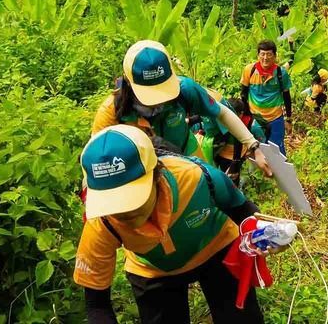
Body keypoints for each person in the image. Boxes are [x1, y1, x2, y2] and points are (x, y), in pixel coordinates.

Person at [75, 125, 274, 323]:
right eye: (113, 205)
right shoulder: (101, 221)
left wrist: (267, 234)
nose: (125, 213)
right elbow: (97, 303)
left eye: (132, 200)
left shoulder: (196, 177)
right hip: (152, 268)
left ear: (156, 175)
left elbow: (242, 210)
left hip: (216, 249)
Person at [92, 40, 272, 176]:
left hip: (187, 153)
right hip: (144, 169)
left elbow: (222, 112)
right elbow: (99, 160)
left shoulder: (185, 89)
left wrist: (253, 145)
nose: (157, 102)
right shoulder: (112, 112)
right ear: (129, 83)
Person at [193, 95, 266, 188]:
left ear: (241, 113)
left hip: (237, 155)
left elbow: (260, 141)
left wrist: (251, 151)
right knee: (223, 175)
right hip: (221, 153)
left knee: (232, 178)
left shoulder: (251, 125)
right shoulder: (220, 120)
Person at [241, 40, 293, 157]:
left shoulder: (281, 73)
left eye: (269, 54)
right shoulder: (249, 70)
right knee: (256, 150)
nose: (265, 57)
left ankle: (279, 174)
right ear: (258, 55)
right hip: (255, 118)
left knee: (277, 151)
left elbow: (286, 97)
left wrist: (288, 119)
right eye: (262, 54)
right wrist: (246, 117)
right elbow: (243, 94)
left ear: (275, 56)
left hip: (275, 118)